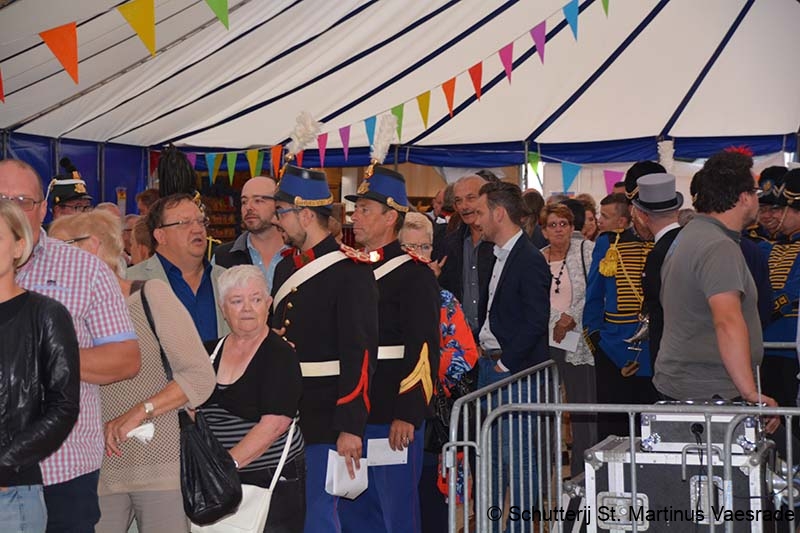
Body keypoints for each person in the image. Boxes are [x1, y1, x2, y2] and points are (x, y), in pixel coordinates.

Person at [48, 210, 216, 533]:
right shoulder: (63, 316)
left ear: (93, 247)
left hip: (158, 464)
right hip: (94, 470)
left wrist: (140, 411)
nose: (49, 262)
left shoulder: (150, 296)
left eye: (59, 249)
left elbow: (199, 375)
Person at [0, 158, 140, 532]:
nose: (11, 209)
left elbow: (125, 359)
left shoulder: (85, 269)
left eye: (23, 201)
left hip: (63, 468)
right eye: (1, 199)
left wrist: (41, 354)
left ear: (43, 208)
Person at [269, 165, 378, 533]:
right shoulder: (286, 267)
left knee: (318, 515)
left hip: (326, 416)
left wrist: (351, 426)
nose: (277, 221)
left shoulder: (351, 271)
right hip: (285, 411)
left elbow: (360, 354)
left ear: (305, 214)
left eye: (281, 212)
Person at [340, 166, 440, 533]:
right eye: (356, 209)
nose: (356, 217)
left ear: (390, 217)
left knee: (394, 512)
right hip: (353, 414)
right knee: (353, 512)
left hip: (390, 415)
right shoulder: (350, 270)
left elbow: (424, 350)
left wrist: (408, 413)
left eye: (365, 209)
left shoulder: (414, 275)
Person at [654, 151, 778, 418]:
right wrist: (750, 393)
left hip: (693, 386)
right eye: (756, 192)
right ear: (744, 197)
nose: (758, 200)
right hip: (712, 392)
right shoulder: (718, 246)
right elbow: (727, 320)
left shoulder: (690, 234)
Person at [200, 265, 305, 532]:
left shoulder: (280, 354)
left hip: (270, 479)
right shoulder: (207, 352)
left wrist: (224, 467)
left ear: (268, 305)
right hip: (217, 481)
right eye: (237, 301)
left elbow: (275, 424)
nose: (247, 308)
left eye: (256, 299)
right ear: (223, 308)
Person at [0, 200, 80, 533]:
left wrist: (5, 464)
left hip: (11, 493)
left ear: (19, 247)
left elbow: (63, 407)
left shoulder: (46, 315)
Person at [474, 181, 550, 528]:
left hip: (514, 372)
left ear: (499, 213)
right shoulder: (495, 255)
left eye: (481, 212)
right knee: (491, 457)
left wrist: (506, 363)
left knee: (518, 458)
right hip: (491, 365)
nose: (477, 220)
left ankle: (519, 526)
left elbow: (536, 320)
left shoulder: (529, 259)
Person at [399, 212, 479, 533]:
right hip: (390, 414)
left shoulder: (445, 300)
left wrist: (426, 369)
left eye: (424, 247)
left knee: (431, 503)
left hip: (434, 416)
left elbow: (466, 354)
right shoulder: (377, 294)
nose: (418, 254)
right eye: (409, 247)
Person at [583, 161, 662, 441]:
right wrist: (598, 341)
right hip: (614, 349)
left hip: (659, 353)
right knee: (614, 436)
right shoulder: (609, 243)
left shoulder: (669, 242)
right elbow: (593, 298)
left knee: (658, 434)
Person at [540, 203, 596, 476]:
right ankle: (545, 474)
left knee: (582, 408)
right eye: (552, 225)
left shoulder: (586, 250)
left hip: (578, 339)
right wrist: (555, 321)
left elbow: (593, 291)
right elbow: (533, 298)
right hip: (546, 339)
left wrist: (570, 317)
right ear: (543, 230)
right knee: (545, 407)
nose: (559, 230)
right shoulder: (538, 258)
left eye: (564, 224)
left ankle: (584, 474)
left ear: (572, 227)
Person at [127, 193, 230, 342]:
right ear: (161, 236)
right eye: (185, 223)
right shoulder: (130, 282)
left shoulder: (227, 280)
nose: (198, 229)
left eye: (201, 222)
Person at [629, 173, 683, 363]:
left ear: (642, 215)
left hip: (668, 354)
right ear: (677, 209)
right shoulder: (690, 241)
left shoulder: (658, 255)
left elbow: (657, 307)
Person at [759, 168, 800, 414]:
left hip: (791, 343)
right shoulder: (769, 247)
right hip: (767, 342)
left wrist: (763, 312)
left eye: (782, 209)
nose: (775, 216)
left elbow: (793, 291)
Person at [436, 174, 494, 339]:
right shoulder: (448, 244)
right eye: (458, 201)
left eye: (470, 198)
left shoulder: (501, 243)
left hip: (497, 342)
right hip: (460, 340)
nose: (464, 206)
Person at [213, 176, 288, 293]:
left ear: (278, 205)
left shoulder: (300, 253)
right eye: (244, 202)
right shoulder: (222, 257)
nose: (248, 207)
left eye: (258, 200)